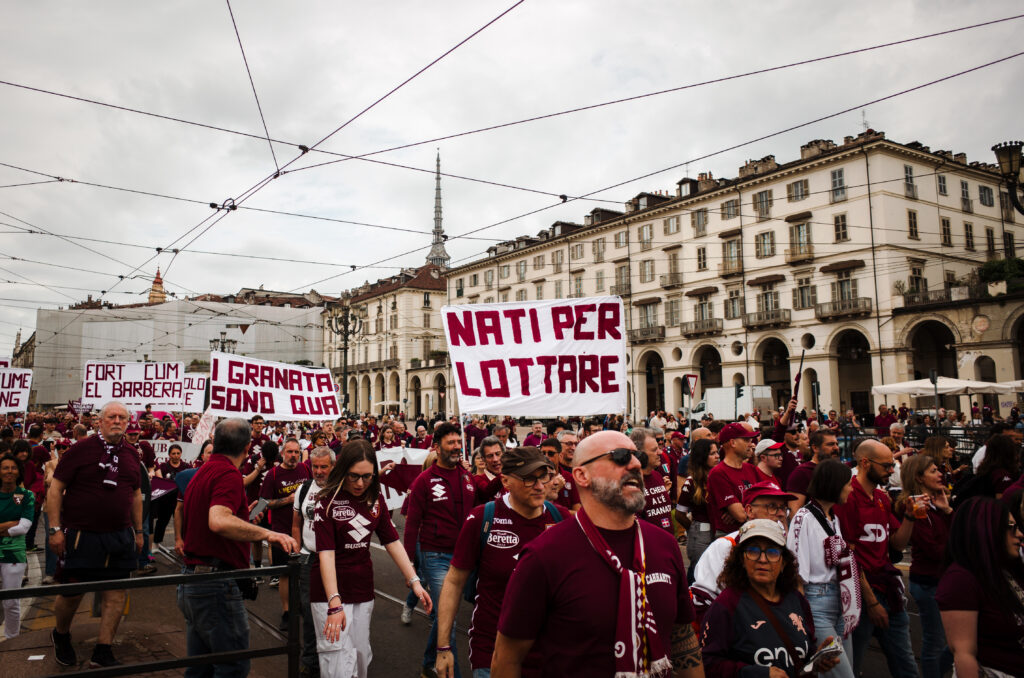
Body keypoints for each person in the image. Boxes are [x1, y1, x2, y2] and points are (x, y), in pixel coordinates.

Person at [492, 431, 703, 678]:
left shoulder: (664, 545)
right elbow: (507, 659)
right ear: (582, 475)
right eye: (621, 457)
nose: (635, 463)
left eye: (637, 457)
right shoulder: (543, 556)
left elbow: (682, 637)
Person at [178, 418, 299, 678]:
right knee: (233, 665)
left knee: (200, 667)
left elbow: (214, 520)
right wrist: (268, 533)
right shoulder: (228, 474)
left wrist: (245, 523)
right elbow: (219, 521)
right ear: (247, 449)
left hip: (193, 580)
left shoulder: (205, 471)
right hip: (215, 583)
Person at [435, 447, 563, 678]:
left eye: (544, 476)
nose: (539, 485)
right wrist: (443, 647)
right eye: (528, 479)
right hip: (492, 651)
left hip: (551, 653)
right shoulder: (482, 518)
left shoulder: (560, 519)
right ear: (506, 481)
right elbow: (454, 582)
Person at [313, 440, 428, 678]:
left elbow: (392, 541)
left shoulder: (376, 500)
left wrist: (414, 580)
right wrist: (334, 602)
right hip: (328, 593)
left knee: (360, 655)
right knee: (337, 662)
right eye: (353, 476)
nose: (359, 483)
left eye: (367, 477)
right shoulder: (325, 502)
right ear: (342, 471)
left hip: (362, 589)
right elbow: (326, 553)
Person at [47, 401, 142, 668]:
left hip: (119, 536)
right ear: (99, 422)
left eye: (122, 417)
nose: (117, 421)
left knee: (115, 593)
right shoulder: (80, 450)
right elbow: (55, 490)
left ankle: (103, 649)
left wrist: (139, 531)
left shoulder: (132, 454)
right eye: (111, 416)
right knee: (72, 593)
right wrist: (55, 529)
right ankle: (61, 635)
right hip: (81, 535)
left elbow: (135, 494)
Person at [701, 519, 841, 677]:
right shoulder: (726, 604)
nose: (762, 559)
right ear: (741, 559)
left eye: (772, 552)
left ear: (783, 563)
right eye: (753, 551)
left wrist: (817, 661)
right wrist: (756, 674)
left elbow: (806, 651)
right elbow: (707, 664)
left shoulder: (797, 600)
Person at [834, 439, 918, 678]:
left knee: (906, 663)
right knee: (854, 663)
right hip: (862, 592)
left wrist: (910, 518)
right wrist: (870, 602)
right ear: (865, 463)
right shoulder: (848, 497)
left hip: (888, 587)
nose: (892, 470)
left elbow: (896, 543)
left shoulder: (881, 499)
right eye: (886, 466)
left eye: (892, 465)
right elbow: (846, 553)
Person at [403, 422, 476, 677]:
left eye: (459, 442)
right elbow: (411, 523)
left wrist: (501, 473)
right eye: (451, 443)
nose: (457, 447)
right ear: (437, 447)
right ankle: (449, 673)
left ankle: (427, 663)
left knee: (447, 614)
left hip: (462, 556)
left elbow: (483, 499)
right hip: (435, 555)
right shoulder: (424, 481)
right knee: (449, 615)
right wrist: (409, 563)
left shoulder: (467, 476)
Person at [787, 459, 859, 678]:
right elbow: (795, 571)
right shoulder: (803, 517)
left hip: (839, 604)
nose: (851, 488)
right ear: (834, 484)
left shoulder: (833, 518)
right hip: (816, 605)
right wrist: (802, 620)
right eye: (847, 483)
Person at [937, 497, 1024, 678]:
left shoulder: (1005, 569)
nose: (1020, 534)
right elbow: (964, 654)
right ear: (987, 530)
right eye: (1011, 527)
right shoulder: (960, 580)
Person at [690, 481, 795, 623]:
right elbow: (702, 600)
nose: (781, 514)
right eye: (772, 507)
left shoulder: (787, 544)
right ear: (750, 511)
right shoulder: (726, 545)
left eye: (783, 508)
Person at [893, 454, 953, 678]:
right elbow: (934, 549)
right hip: (929, 582)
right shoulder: (914, 507)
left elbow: (956, 536)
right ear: (919, 477)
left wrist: (947, 511)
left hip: (944, 580)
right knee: (936, 641)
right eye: (933, 471)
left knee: (954, 641)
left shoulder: (937, 503)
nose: (940, 474)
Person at [292, 446, 334, 676]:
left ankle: (334, 657)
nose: (319, 471)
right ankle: (310, 662)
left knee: (335, 609)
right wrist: (298, 552)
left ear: (333, 467)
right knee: (309, 614)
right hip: (310, 559)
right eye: (315, 467)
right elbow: (296, 523)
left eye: (324, 467)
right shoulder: (304, 489)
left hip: (335, 562)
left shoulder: (342, 489)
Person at [260, 438, 311, 627]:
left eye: (296, 452)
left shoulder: (305, 470)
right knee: (285, 574)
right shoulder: (273, 474)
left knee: (304, 572)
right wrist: (288, 500)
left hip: (305, 530)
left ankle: (302, 606)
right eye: (289, 452)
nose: (293, 456)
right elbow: (264, 503)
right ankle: (287, 611)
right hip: (282, 531)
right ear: (282, 453)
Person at [0, 453, 34, 639]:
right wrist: (10, 524)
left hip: (14, 554)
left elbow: (24, 526)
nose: (9, 472)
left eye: (13, 468)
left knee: (11, 601)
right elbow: (17, 524)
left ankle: (12, 640)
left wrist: (12, 527)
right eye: (5, 468)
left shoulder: (24, 495)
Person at [707, 423, 760, 536]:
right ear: (733, 443)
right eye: (746, 440)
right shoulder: (718, 473)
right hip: (731, 538)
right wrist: (757, 510)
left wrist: (742, 510)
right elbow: (740, 516)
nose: (751, 444)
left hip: (752, 533)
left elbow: (765, 501)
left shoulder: (751, 469)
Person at [676, 438, 719, 577]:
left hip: (719, 532)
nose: (717, 456)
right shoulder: (691, 482)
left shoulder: (721, 477)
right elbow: (679, 514)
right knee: (698, 573)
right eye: (712, 453)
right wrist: (694, 528)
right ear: (702, 457)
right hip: (701, 535)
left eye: (717, 452)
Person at [786, 430, 841, 514]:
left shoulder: (837, 471)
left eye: (836, 444)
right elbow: (795, 512)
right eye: (830, 444)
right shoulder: (802, 473)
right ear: (815, 448)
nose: (836, 448)